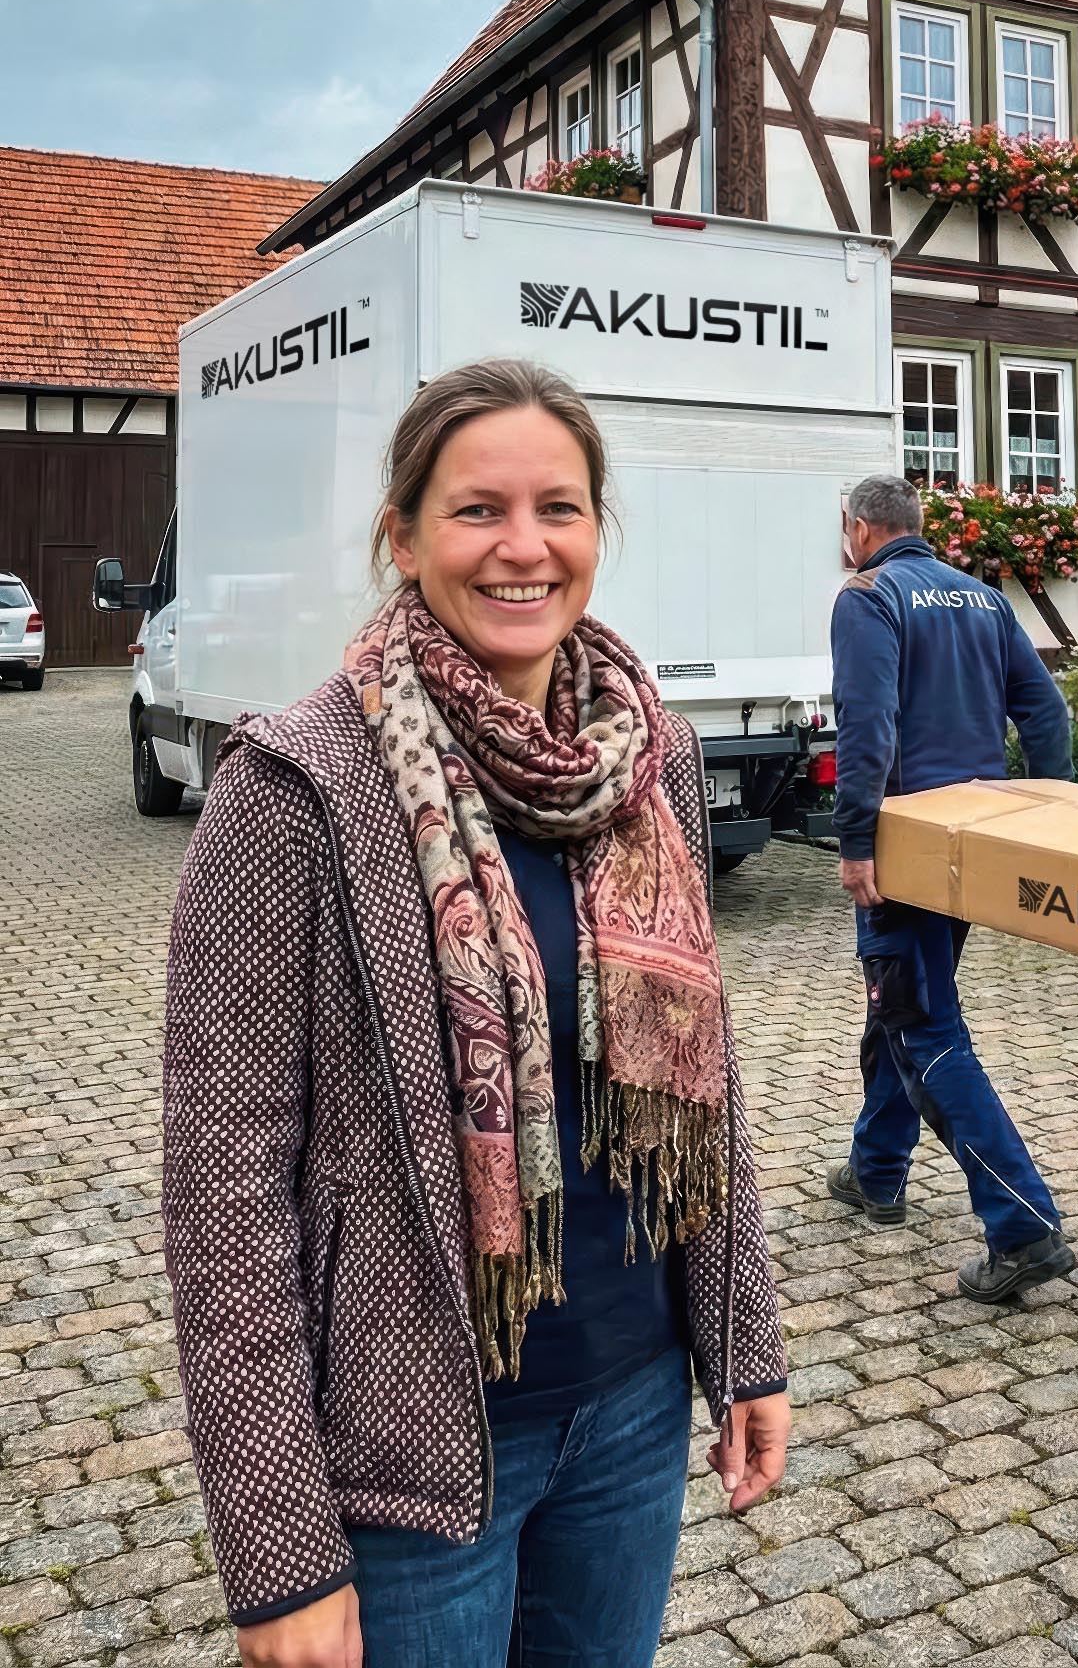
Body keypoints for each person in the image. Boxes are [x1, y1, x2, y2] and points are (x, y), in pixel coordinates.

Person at [164, 360, 790, 1668]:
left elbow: (696, 1081)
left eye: (558, 508)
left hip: (628, 1409)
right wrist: (277, 1551)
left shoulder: (650, 759)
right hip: (412, 1458)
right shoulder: (294, 789)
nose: (523, 546)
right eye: (475, 510)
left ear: (595, 533)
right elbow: (225, 1190)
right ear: (400, 534)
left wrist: (745, 1347)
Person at [827, 474, 1078, 1302]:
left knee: (922, 1023)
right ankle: (877, 1171)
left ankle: (1022, 1224)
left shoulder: (869, 596)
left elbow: (869, 726)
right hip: (969, 842)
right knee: (899, 1006)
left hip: (905, 847)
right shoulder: (982, 598)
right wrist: (1049, 819)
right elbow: (1046, 715)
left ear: (861, 529)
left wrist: (857, 840)